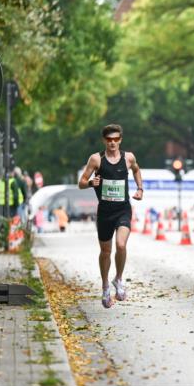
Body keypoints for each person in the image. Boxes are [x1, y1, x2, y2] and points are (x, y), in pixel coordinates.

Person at [78, 124, 143, 308]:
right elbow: (81, 182)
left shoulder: (128, 157)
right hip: (105, 212)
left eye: (115, 139)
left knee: (121, 244)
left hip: (123, 209)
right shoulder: (96, 159)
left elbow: (136, 170)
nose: (112, 143)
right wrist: (91, 182)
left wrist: (140, 189)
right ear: (104, 141)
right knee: (106, 251)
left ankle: (119, 279)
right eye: (109, 140)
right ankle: (105, 285)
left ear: (120, 140)